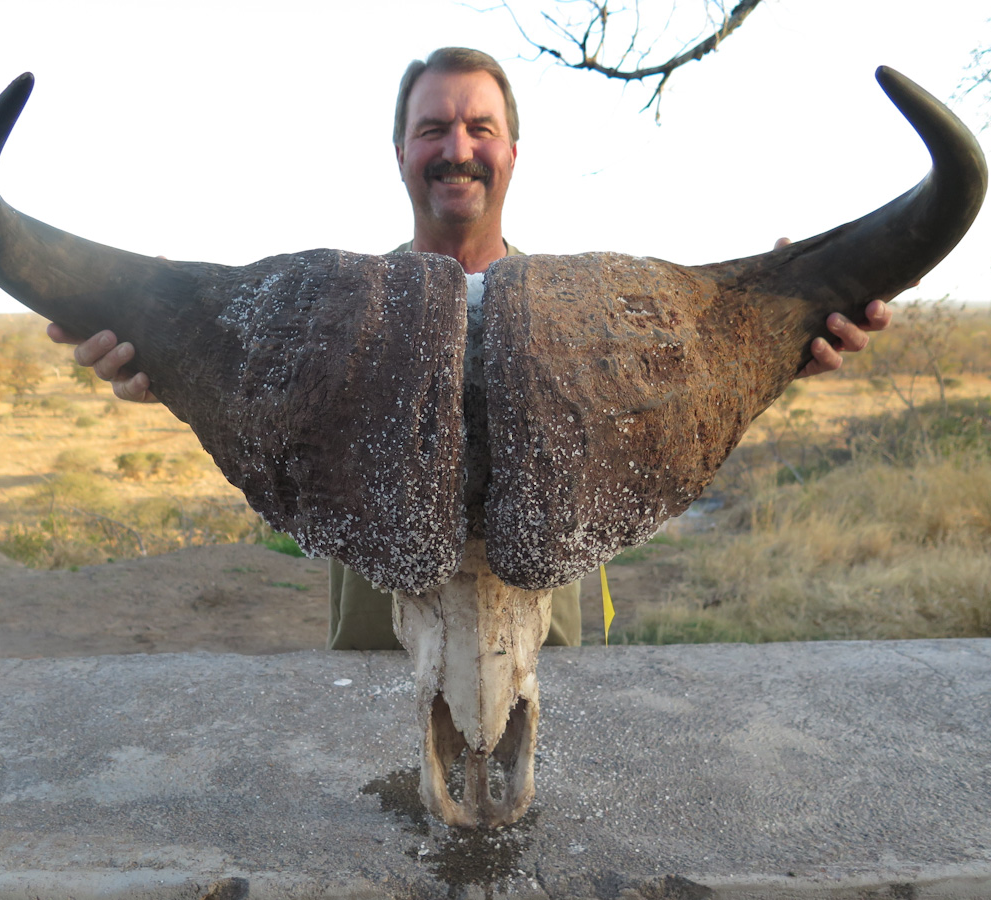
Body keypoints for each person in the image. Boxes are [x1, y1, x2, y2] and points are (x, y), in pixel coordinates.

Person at [48, 47, 895, 649]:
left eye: (480, 127)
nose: (457, 149)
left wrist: (782, 326)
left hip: (548, 655)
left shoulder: (596, 321)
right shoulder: (320, 324)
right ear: (400, 154)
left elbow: (689, 387)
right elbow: (253, 404)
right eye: (433, 129)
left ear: (513, 152)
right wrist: (163, 361)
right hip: (381, 654)